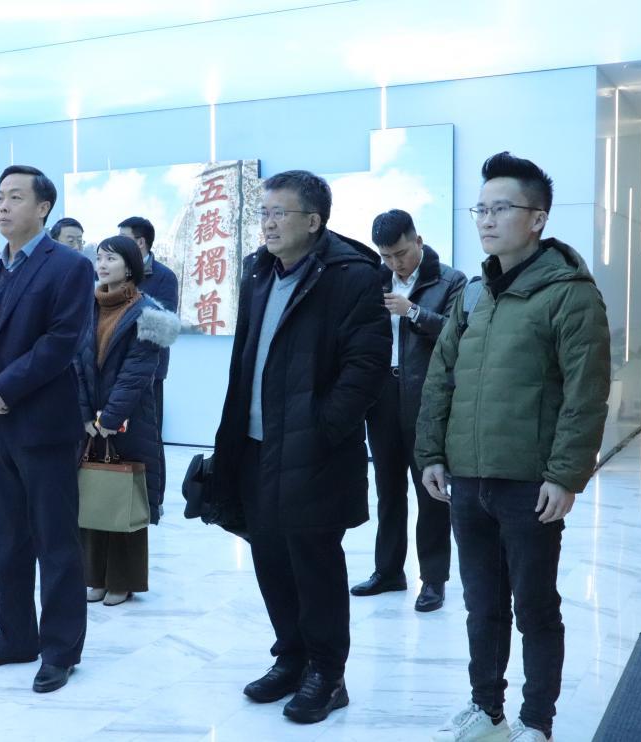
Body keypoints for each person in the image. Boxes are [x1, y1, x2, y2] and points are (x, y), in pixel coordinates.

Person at [417, 152, 610, 742]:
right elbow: (440, 377)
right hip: (468, 479)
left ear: (537, 218)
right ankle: (487, 710)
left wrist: (566, 475)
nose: (486, 219)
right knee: (482, 605)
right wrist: (431, 453)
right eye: (480, 209)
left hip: (530, 482)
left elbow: (586, 392)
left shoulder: (570, 294)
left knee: (534, 607)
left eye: (501, 208)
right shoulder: (472, 294)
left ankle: (536, 721)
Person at [209, 171, 390, 724]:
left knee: (314, 562)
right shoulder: (257, 271)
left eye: (278, 213)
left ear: (312, 221)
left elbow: (366, 366)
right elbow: (246, 357)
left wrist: (324, 426)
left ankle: (327, 675)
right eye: (262, 213)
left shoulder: (351, 276)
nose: (266, 223)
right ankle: (290, 657)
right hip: (255, 445)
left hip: (315, 449)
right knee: (269, 558)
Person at [0, 165, 95, 693]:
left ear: (43, 208)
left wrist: (4, 389)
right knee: (4, 539)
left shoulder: (69, 267)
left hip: (43, 426)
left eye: (16, 197)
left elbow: (61, 342)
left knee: (55, 543)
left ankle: (60, 650)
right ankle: (15, 637)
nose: (4, 206)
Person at [351, 210, 467, 612]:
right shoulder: (376, 280)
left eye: (400, 253)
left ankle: (433, 579)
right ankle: (388, 571)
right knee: (387, 488)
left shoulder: (450, 281)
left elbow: (458, 333)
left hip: (427, 399)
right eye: (386, 256)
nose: (395, 263)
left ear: (418, 241)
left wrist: (413, 311)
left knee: (430, 490)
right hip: (382, 395)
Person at [75, 235, 179, 607]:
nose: (102, 265)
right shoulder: (84, 306)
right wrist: (85, 415)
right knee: (93, 491)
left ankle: (123, 580)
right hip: (90, 420)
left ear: (130, 267)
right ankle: (95, 577)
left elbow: (137, 374)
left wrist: (110, 417)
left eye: (112, 259)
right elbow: (75, 363)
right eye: (100, 258)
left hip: (130, 419)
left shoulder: (149, 313)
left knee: (124, 494)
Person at [118, 217, 179, 436]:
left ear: (140, 242)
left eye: (123, 238)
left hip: (149, 367)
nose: (117, 243)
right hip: (117, 366)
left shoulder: (164, 276)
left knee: (148, 435)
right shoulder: (116, 271)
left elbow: (164, 325)